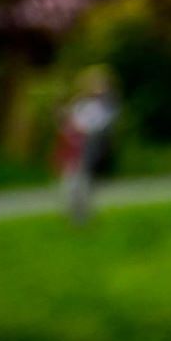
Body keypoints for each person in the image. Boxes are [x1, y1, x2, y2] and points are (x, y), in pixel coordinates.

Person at [55, 67, 119, 227]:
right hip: (74, 146)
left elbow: (98, 125)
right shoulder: (80, 103)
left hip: (90, 148)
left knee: (84, 182)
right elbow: (68, 123)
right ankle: (76, 215)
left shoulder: (107, 104)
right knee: (71, 182)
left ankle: (83, 217)